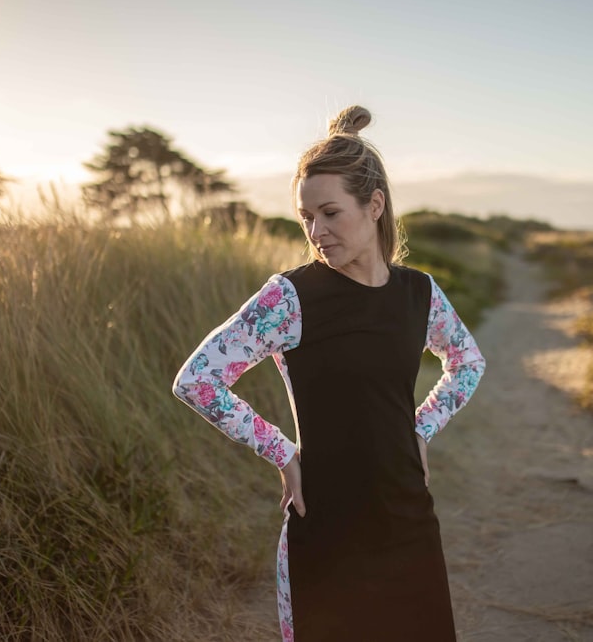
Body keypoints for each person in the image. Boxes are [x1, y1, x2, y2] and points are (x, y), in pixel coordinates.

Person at [172, 105, 485, 641]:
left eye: (331, 213)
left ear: (375, 205)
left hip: (408, 517)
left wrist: (420, 429)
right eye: (305, 217)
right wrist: (282, 452)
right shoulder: (291, 298)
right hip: (327, 527)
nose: (316, 231)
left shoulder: (420, 294)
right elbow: (198, 379)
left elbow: (467, 363)